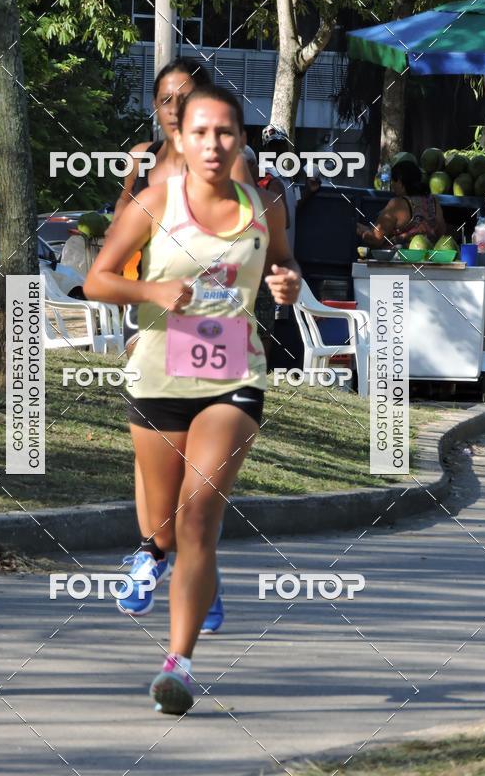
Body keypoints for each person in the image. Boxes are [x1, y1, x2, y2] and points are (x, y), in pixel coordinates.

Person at [84, 85, 300, 714]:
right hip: (157, 380)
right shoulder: (153, 201)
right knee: (166, 525)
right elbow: (98, 279)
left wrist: (286, 285)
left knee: (200, 510)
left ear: (242, 139)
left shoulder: (267, 203)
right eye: (200, 133)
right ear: (180, 139)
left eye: (226, 133)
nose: (214, 144)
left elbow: (284, 268)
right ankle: (181, 572)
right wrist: (154, 291)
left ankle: (177, 667)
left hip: (235, 376)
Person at [110, 58, 254, 634]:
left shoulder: (225, 158)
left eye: (185, 96)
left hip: (212, 328)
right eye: (165, 98)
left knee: (202, 476)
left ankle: (199, 571)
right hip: (152, 322)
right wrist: (129, 179)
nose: (173, 107)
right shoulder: (147, 159)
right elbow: (119, 228)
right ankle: (152, 555)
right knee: (152, 468)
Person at [356, 160, 446, 249]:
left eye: (393, 181)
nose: (392, 185)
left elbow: (375, 239)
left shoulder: (397, 204)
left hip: (401, 260)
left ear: (399, 180)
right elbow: (441, 233)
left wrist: (358, 230)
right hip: (428, 259)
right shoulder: (433, 201)